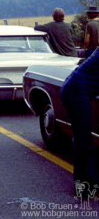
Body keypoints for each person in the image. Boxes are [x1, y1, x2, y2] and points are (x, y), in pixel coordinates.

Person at [60, 48, 99, 191]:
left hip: (74, 87)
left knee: (84, 140)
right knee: (83, 140)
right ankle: (84, 187)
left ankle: (89, 182)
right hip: (76, 91)